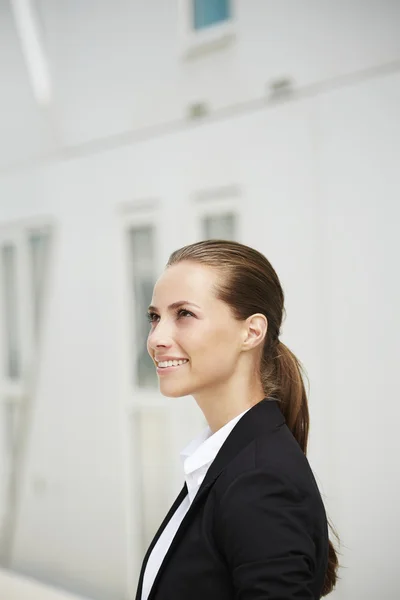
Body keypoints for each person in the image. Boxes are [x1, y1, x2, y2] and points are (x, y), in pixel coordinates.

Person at [135, 239, 340, 600]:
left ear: (251, 332)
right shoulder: (227, 461)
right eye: (155, 317)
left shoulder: (262, 480)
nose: (156, 338)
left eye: (184, 313)